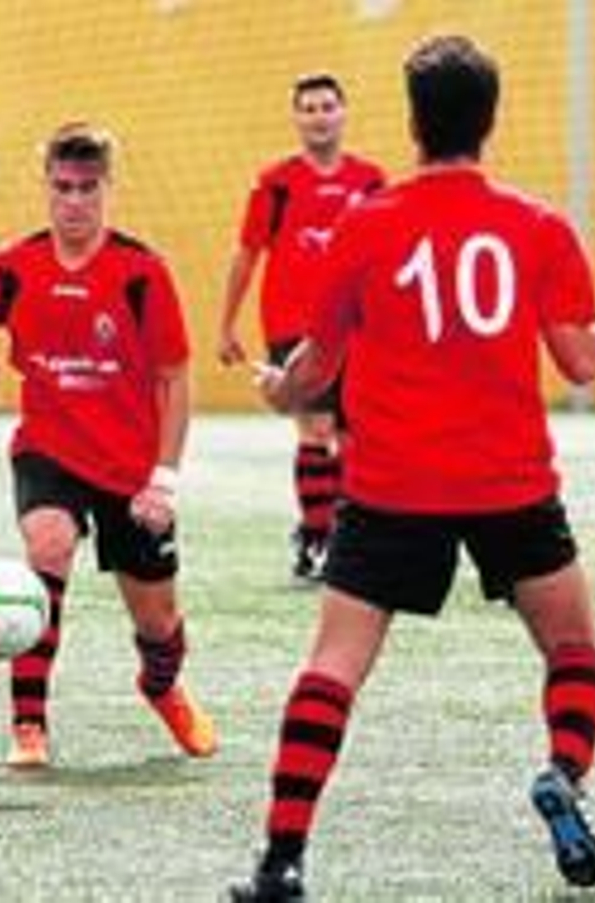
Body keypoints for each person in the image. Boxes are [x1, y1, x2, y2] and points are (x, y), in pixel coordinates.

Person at [228, 35, 595, 901]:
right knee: (575, 647)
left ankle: (282, 861)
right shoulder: (537, 226)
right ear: (490, 120)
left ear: (413, 123)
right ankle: (564, 774)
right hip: (511, 484)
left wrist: (283, 390)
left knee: (332, 670)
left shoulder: (365, 223)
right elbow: (582, 361)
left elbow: (315, 374)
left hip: (391, 487)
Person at [0, 123, 217, 769]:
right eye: (62, 187)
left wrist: (164, 479)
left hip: (131, 466)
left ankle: (162, 685)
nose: (74, 202)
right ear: (46, 188)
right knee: (48, 545)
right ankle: (28, 722)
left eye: (88, 188)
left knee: (158, 619)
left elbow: (174, 377)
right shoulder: (10, 268)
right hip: (48, 450)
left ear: (106, 189)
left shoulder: (141, 272)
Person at [217, 73, 387, 582]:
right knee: (314, 428)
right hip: (294, 323)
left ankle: (355, 534)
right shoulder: (276, 182)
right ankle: (315, 535)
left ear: (344, 112)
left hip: (359, 325)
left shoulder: (371, 180)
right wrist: (226, 324)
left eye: (327, 106)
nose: (319, 116)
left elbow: (388, 254)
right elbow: (247, 253)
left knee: (356, 433)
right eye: (308, 108)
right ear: (296, 118)